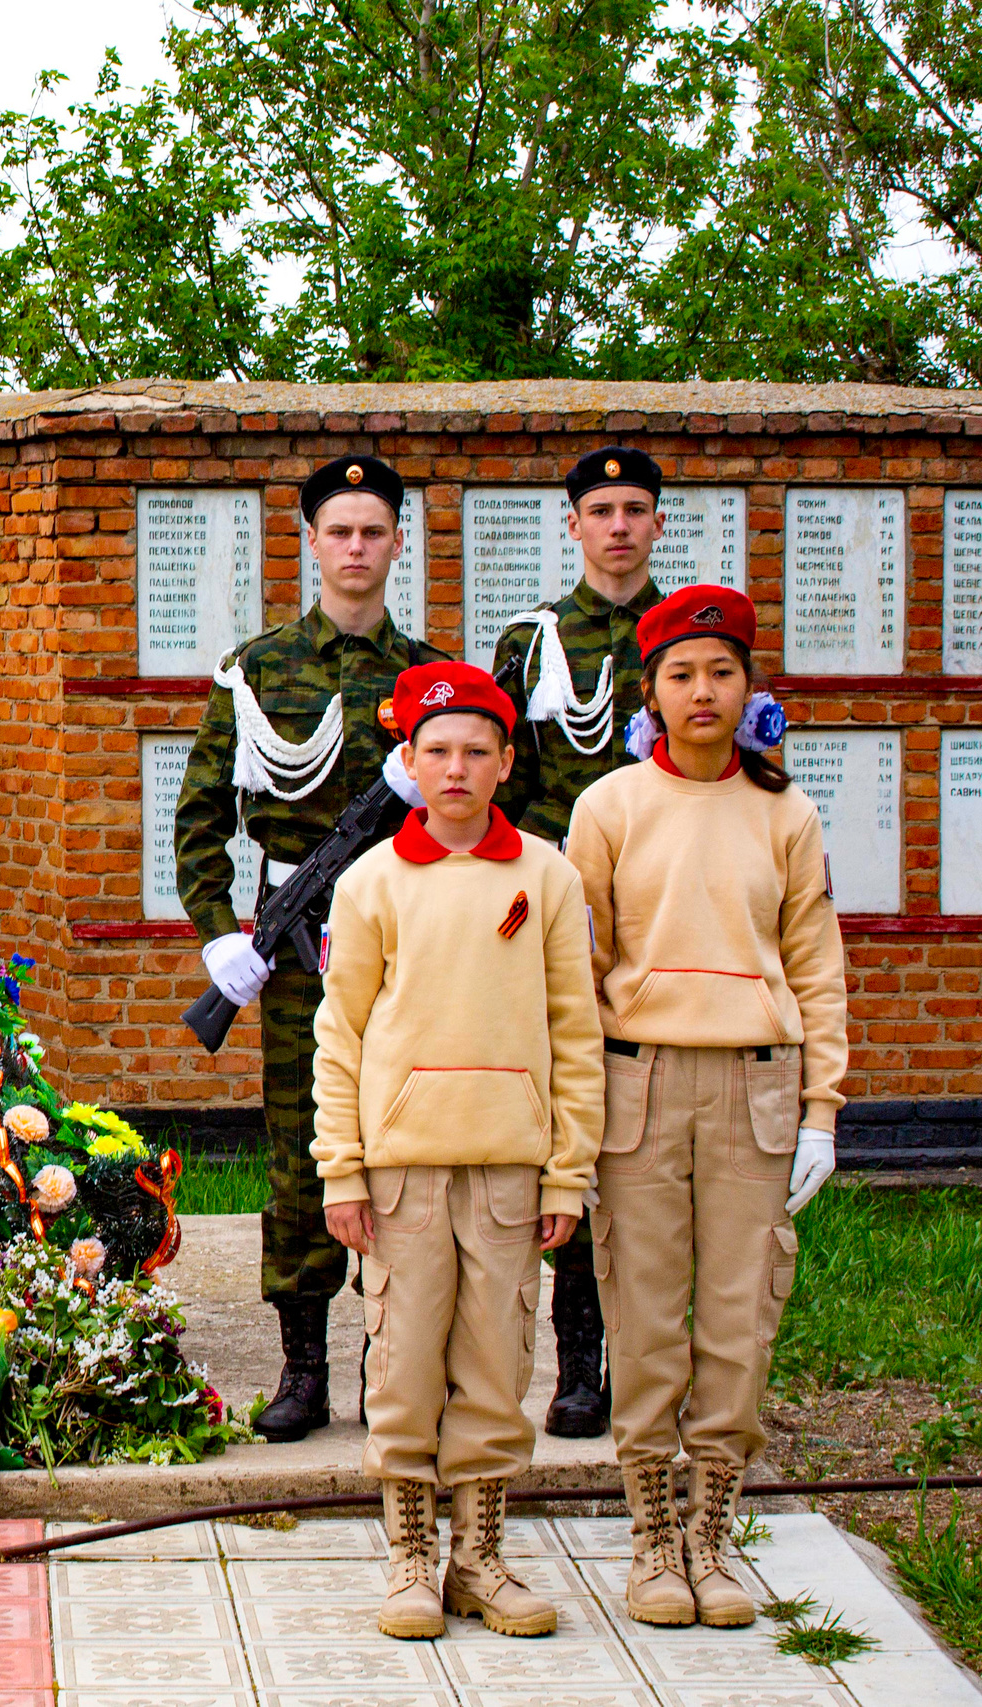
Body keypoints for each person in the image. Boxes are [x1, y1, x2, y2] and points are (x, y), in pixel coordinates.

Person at [566, 584, 845, 1629]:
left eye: (719, 672)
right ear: (651, 692)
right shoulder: (610, 807)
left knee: (737, 1319)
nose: (701, 691)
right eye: (680, 674)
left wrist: (822, 1107)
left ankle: (711, 1532)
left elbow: (816, 969)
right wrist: (579, 1109)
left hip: (755, 1087)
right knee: (642, 1323)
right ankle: (649, 1538)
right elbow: (579, 968)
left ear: (745, 687)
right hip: (638, 1083)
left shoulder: (784, 813)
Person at [313, 661, 601, 1641]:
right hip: (402, 1169)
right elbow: (339, 1035)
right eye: (435, 751)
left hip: (512, 1166)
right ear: (408, 760)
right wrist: (341, 1167)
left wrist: (568, 1168)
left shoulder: (547, 877)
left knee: (494, 1362)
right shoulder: (370, 883)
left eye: (477, 750)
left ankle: (478, 1557)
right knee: (400, 1365)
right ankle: (408, 1556)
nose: (456, 768)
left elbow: (575, 1032)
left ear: (506, 761)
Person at [176, 454, 451, 1441]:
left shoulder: (431, 680)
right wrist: (218, 937)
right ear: (310, 542)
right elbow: (200, 817)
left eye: (373, 531)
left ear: (396, 543)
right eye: (339, 530)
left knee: (407, 1149)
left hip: (410, 946)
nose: (355, 548)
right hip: (294, 956)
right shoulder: (256, 672)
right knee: (300, 1155)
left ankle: (393, 1361)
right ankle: (303, 1372)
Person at [489, 445, 673, 1439]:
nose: (616, 526)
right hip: (554, 915)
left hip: (659, 917)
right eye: (599, 509)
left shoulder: (684, 637)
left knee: (638, 1138)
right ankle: (567, 1368)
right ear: (572, 525)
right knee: (564, 1126)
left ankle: (619, 1360)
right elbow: (494, 785)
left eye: (634, 508)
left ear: (655, 523)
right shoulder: (530, 642)